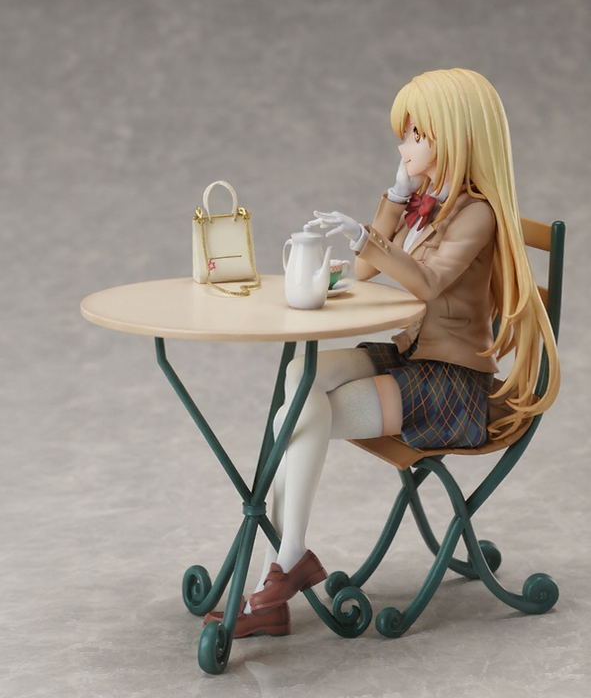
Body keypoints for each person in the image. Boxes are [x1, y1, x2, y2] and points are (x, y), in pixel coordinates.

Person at [206, 68, 560, 637]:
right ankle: (285, 564)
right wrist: (395, 197)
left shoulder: (478, 213)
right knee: (299, 378)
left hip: (450, 385)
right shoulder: (431, 202)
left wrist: (363, 235)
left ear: (455, 136)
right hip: (412, 356)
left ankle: (282, 569)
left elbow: (426, 281)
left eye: (417, 134)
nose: (404, 145)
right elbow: (367, 270)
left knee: (300, 414)